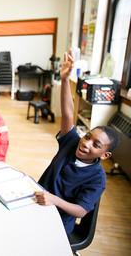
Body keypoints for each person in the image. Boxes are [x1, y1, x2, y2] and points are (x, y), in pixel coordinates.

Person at [35, 51, 119, 235]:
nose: (86, 143)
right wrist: (65, 79)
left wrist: (54, 200)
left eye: (96, 145)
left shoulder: (97, 178)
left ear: (105, 155)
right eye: (88, 136)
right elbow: (67, 114)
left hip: (58, 222)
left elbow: (81, 210)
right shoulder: (72, 142)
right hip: (36, 205)